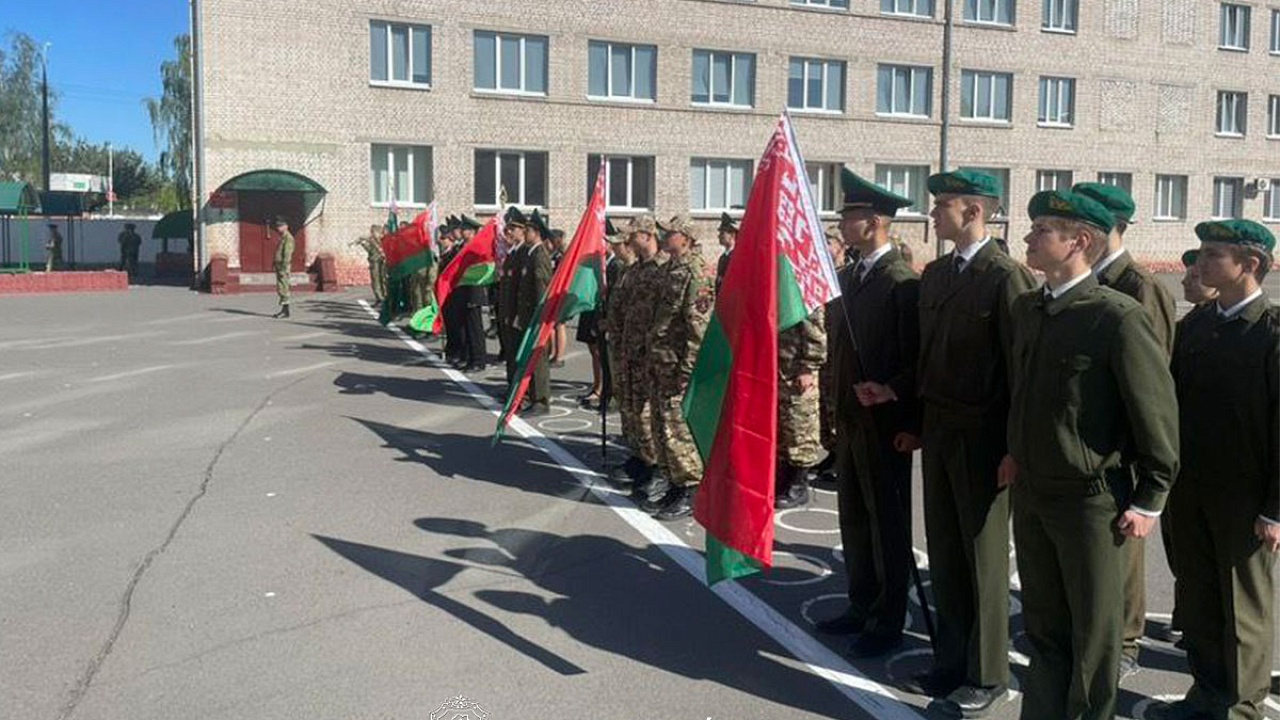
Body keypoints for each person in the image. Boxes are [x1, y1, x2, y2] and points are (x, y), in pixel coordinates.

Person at [1003, 189, 1179, 720]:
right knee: (1045, 630)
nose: (1028, 238)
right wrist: (1015, 452)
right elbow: (1026, 395)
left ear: (1079, 241)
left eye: (1041, 231)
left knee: (1094, 640)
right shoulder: (1029, 308)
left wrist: (1151, 497)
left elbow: (1155, 415)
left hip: (1089, 502)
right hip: (1035, 493)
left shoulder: (1116, 316)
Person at [900, 170, 1036, 716]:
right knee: (948, 554)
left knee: (982, 560)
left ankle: (988, 673)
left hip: (984, 437)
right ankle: (951, 659)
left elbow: (1022, 371)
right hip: (940, 427)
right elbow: (923, 357)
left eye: (944, 206)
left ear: (974, 212)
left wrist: (1015, 447)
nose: (933, 214)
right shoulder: (935, 275)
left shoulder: (1006, 278)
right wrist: (912, 420)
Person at [1160, 220, 1278, 720]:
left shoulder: (1270, 333)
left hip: (1245, 498)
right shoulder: (1197, 325)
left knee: (1242, 612)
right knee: (1201, 599)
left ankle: (1242, 707)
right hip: (1191, 491)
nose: (1199, 263)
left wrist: (1275, 509)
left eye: (1212, 255)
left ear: (1248, 265)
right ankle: (1206, 693)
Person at [1073, 181, 1180, 672]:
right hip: (1090, 439)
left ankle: (1127, 640)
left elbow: (1151, 376)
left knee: (1125, 552)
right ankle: (1097, 629)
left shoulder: (1140, 286)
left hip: (1126, 445)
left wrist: (1143, 457)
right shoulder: (1086, 282)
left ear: (1104, 229)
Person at [818, 170, 921, 660]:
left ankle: (887, 618)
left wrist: (895, 395)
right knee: (854, 518)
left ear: (875, 221)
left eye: (849, 215)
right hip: (850, 419)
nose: (841, 222)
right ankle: (861, 603)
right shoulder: (849, 277)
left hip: (884, 424)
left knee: (887, 525)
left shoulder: (900, 282)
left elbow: (918, 357)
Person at [644, 214, 713, 520]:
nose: (664, 236)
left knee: (677, 430)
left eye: (670, 233)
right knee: (662, 428)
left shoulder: (695, 272)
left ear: (686, 238)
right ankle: (674, 482)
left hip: (676, 367)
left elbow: (698, 328)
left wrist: (688, 371)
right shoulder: (670, 268)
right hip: (659, 362)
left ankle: (690, 489)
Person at [616, 215, 669, 501]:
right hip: (632, 350)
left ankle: (657, 467)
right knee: (634, 409)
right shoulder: (636, 269)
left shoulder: (662, 269)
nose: (627, 241)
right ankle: (640, 459)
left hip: (652, 354)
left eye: (632, 235)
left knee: (652, 415)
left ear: (647, 235)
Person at [814, 226, 847, 487]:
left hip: (838, 351)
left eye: (830, 242)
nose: (826, 246)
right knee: (826, 406)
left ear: (841, 246)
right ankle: (832, 453)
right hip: (824, 349)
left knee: (837, 407)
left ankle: (842, 461)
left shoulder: (846, 275)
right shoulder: (825, 274)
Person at [515, 210, 554, 415]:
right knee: (531, 358)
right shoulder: (531, 254)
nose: (525, 233)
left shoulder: (539, 256)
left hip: (536, 316)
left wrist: (540, 318)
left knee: (538, 360)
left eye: (528, 230)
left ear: (536, 232)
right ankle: (533, 395)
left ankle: (541, 400)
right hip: (528, 315)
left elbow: (541, 289)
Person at [498, 208, 529, 383]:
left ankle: (519, 392)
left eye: (512, 229)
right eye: (507, 229)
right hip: (507, 312)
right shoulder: (512, 253)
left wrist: (517, 314)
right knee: (511, 352)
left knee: (518, 354)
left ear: (522, 230)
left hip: (517, 313)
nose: (507, 232)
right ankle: (512, 387)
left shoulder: (524, 253)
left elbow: (522, 289)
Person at [548, 228, 569, 368]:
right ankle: (554, 354)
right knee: (553, 324)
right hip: (553, 292)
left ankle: (559, 355)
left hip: (561, 292)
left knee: (559, 324)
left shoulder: (564, 255)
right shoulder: (554, 255)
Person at [272, 217, 295, 319]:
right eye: (277, 226)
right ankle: (284, 310)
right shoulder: (283, 237)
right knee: (281, 287)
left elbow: (287, 254)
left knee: (283, 288)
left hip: (283, 267)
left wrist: (283, 268)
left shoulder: (288, 238)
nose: (278, 228)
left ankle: (285, 311)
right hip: (280, 266)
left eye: (280, 226)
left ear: (286, 226)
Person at [715, 212, 736, 295]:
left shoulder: (736, 257)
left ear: (732, 235)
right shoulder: (723, 257)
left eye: (722, 233)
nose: (719, 236)